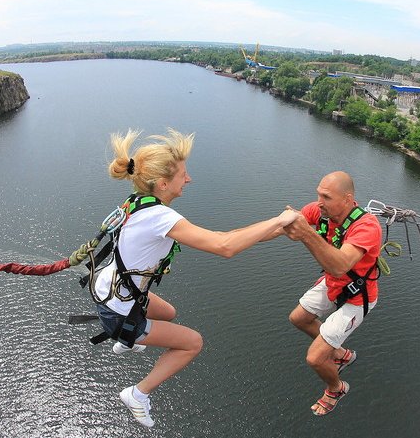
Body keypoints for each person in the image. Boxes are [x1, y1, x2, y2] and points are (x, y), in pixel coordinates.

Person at [95, 128, 299, 428]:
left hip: (109, 289)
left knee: (168, 313)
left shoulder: (139, 201)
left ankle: (127, 342)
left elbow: (224, 237)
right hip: (118, 311)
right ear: (164, 184)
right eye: (183, 175)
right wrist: (279, 218)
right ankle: (137, 393)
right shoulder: (161, 218)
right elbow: (225, 246)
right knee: (192, 343)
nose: (188, 179)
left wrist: (277, 230)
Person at [283, 171, 382, 416]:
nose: (319, 202)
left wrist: (307, 233)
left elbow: (339, 265)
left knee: (315, 358)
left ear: (347, 199)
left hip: (357, 297)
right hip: (334, 283)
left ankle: (336, 388)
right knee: (298, 318)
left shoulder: (367, 226)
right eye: (319, 194)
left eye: (326, 197)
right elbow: (283, 227)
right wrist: (236, 240)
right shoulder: (321, 212)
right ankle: (341, 354)